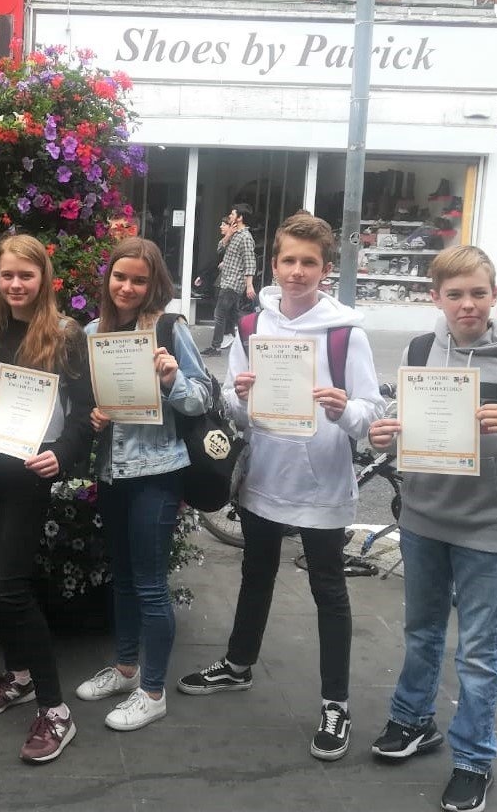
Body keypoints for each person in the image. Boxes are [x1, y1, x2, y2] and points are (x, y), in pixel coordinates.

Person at [367, 245, 497, 812]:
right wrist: (384, 435)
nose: (467, 305)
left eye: (478, 293)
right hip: (424, 517)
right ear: (436, 297)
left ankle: (473, 759)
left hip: (489, 526)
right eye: (454, 294)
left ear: (494, 295)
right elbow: (404, 426)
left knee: (479, 652)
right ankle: (412, 722)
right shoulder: (418, 349)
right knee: (421, 632)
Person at [177, 213, 383, 762]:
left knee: (328, 590)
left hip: (323, 480)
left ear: (325, 269)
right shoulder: (251, 328)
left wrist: (346, 409)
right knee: (256, 572)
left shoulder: (345, 333)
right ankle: (239, 664)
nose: (296, 272)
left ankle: (335, 702)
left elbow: (370, 411)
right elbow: (237, 414)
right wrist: (239, 396)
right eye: (288, 260)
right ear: (273, 264)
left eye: (308, 263)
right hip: (266, 475)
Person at [0, 235, 94, 763]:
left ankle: (56, 709)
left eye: (26, 276)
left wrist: (63, 453)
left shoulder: (64, 335)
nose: (16, 285)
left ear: (45, 279)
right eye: (8, 276)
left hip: (31, 475)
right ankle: (19, 677)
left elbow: (83, 412)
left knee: (9, 585)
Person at [75, 237, 209, 731]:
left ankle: (152, 691)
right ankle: (126, 667)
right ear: (108, 279)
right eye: (120, 277)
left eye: (139, 279)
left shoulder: (170, 329)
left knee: (151, 584)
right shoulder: (95, 331)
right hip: (113, 470)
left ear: (155, 284)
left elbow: (201, 399)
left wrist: (173, 379)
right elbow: (91, 398)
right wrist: (91, 415)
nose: (127, 287)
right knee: (124, 576)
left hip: (158, 470)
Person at [202, 204, 256, 356]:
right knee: (234, 314)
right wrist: (228, 235)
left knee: (219, 314)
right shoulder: (235, 234)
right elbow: (220, 248)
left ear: (240, 218)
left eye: (233, 214)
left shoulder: (246, 237)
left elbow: (249, 261)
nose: (230, 216)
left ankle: (216, 347)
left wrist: (249, 285)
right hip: (226, 280)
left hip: (234, 282)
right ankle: (249, 338)